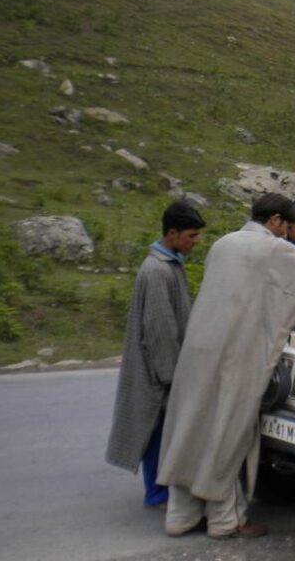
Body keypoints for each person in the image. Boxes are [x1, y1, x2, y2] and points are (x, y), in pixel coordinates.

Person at [157, 192, 295, 540]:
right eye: (288, 227)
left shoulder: (223, 244)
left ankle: (181, 517)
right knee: (228, 436)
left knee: (191, 430)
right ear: (274, 221)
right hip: (235, 355)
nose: (289, 234)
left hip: (197, 350)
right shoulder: (273, 249)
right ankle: (226, 521)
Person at [105, 201, 206, 509]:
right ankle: (157, 495)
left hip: (163, 369)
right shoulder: (157, 271)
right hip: (157, 372)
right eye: (191, 236)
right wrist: (172, 378)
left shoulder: (170, 265)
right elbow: (160, 333)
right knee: (156, 430)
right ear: (172, 234)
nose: (195, 242)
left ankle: (162, 490)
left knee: (162, 430)